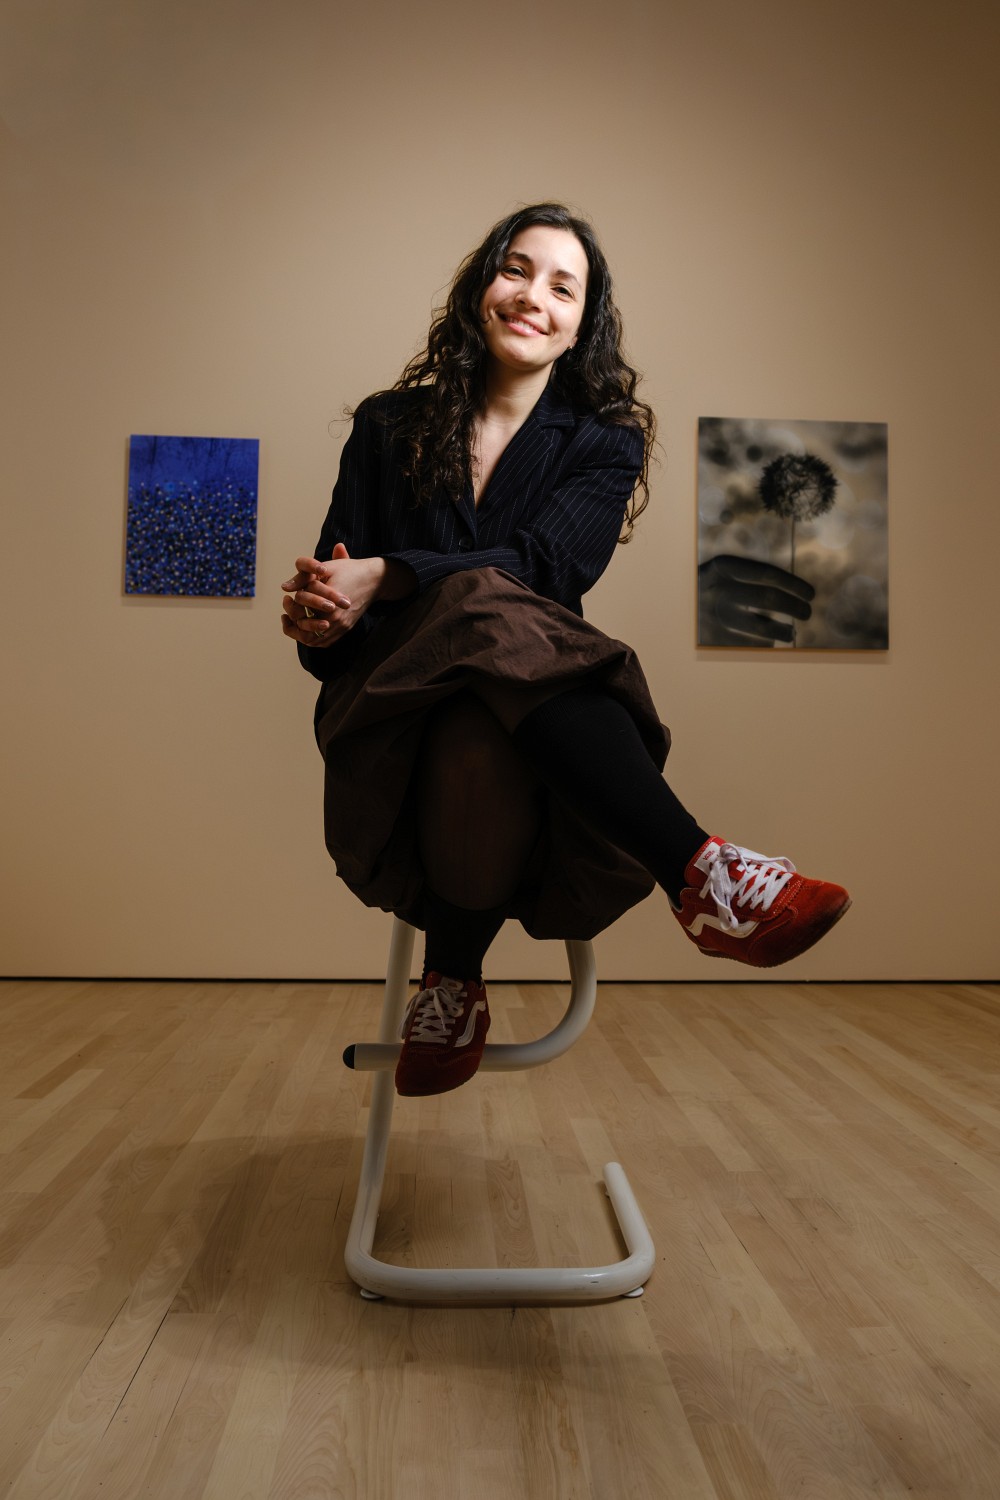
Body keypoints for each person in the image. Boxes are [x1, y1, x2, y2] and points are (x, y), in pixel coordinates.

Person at [281, 203, 850, 1099]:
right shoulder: (388, 425)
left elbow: (548, 568)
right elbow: (338, 607)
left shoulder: (603, 441)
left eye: (562, 286)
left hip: (528, 727)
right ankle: (701, 872)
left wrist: (390, 573)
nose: (531, 295)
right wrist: (323, 619)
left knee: (481, 683)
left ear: (582, 325)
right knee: (475, 600)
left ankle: (452, 982)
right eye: (515, 269)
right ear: (481, 288)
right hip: (388, 716)